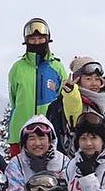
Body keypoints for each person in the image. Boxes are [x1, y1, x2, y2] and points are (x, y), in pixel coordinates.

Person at [6, 18, 67, 155]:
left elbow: (63, 97)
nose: (37, 42)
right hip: (21, 133)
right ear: (26, 41)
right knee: (20, 173)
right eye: (32, 39)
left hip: (49, 134)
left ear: (47, 39)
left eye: (40, 38)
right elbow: (13, 98)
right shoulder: (17, 68)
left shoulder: (57, 67)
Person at [49, 56, 105, 152]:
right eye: (89, 79)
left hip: (98, 155)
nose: (94, 83)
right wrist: (71, 91)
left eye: (97, 79)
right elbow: (73, 103)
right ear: (78, 80)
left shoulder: (99, 100)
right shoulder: (75, 101)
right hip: (79, 156)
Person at [5, 115, 66, 191]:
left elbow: (71, 190)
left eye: (41, 138)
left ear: (50, 141)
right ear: (25, 142)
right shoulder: (16, 164)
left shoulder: (62, 162)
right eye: (32, 138)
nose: (37, 143)